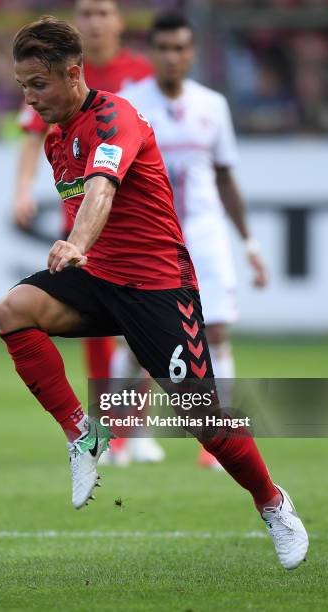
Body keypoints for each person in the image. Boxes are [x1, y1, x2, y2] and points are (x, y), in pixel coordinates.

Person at [0, 16, 308, 570]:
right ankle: (83, 435)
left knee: (206, 423)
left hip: (159, 286)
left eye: (37, 84)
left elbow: (102, 190)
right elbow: (86, 202)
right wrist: (81, 253)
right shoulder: (54, 141)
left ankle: (273, 502)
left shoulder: (117, 117)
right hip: (100, 280)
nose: (29, 97)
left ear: (73, 74)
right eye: (22, 85)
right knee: (14, 309)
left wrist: (75, 242)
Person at [117, 12, 269, 470]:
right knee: (138, 343)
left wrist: (251, 245)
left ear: (192, 53)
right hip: (151, 239)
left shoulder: (212, 106)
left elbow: (225, 177)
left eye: (179, 48)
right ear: (150, 53)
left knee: (216, 331)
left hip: (204, 235)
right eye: (162, 48)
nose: (171, 57)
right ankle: (127, 432)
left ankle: (218, 440)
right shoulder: (127, 104)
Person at [12, 0, 160, 465]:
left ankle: (133, 425)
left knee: (147, 328)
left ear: (118, 21)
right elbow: (33, 134)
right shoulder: (48, 74)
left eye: (103, 12)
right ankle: (107, 428)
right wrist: (22, 191)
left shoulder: (139, 73)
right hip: (83, 217)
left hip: (134, 208)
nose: (95, 21)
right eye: (87, 13)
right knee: (95, 328)